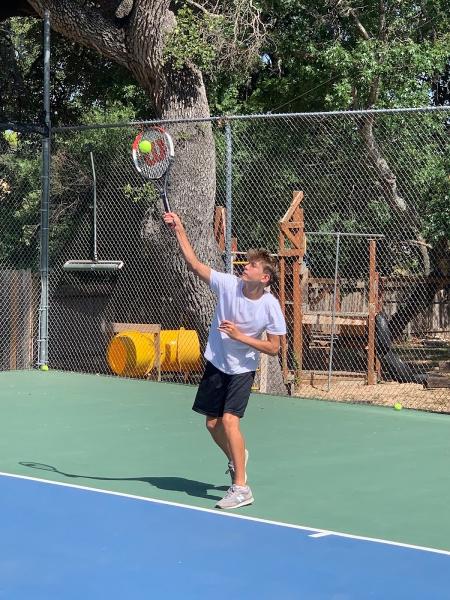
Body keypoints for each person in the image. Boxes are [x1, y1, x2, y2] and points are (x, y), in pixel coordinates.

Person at [163, 212, 286, 509]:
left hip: (242, 369)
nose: (246, 266)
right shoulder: (228, 284)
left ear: (264, 277)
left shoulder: (270, 306)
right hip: (217, 362)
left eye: (253, 265)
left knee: (230, 421)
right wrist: (180, 229)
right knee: (212, 424)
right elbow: (194, 264)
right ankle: (237, 456)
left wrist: (240, 336)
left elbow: (273, 349)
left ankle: (241, 487)